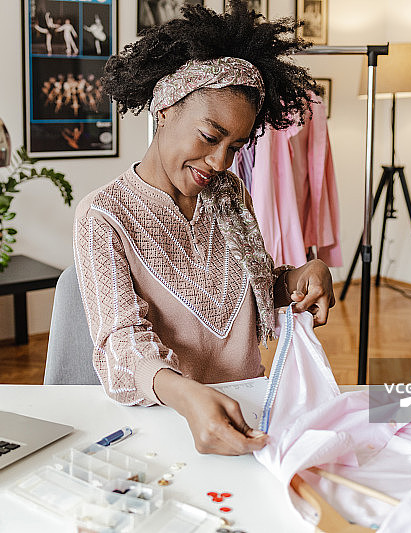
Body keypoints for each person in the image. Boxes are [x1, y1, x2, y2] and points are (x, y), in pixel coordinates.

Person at [74, 0, 334, 456]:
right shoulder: (104, 216)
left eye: (236, 146)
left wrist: (303, 274)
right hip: (161, 426)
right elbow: (122, 344)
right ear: (165, 109)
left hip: (248, 412)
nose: (219, 162)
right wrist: (188, 396)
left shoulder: (229, 194)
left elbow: (258, 286)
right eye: (210, 137)